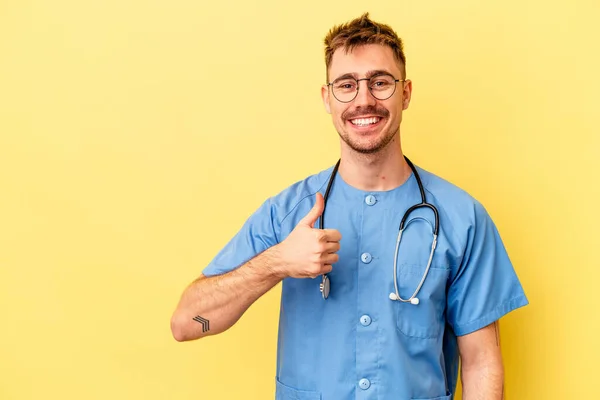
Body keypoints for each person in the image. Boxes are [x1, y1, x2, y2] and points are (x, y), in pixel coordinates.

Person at [170, 13, 528, 400]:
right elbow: (189, 323)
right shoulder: (288, 214)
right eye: (346, 85)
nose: (364, 100)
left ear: (405, 93)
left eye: (380, 82)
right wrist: (275, 262)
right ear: (327, 98)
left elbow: (481, 362)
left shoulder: (462, 218)